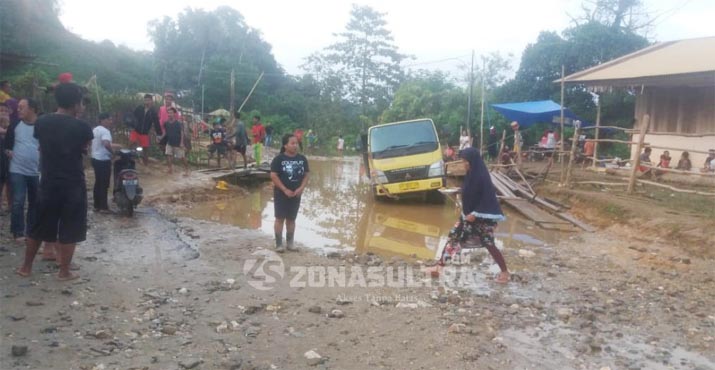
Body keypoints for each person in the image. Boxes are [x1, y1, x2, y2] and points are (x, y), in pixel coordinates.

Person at [16, 82, 94, 281]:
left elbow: (42, 146)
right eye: (81, 103)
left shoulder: (42, 122)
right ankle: (64, 271)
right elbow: (85, 151)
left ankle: (26, 267)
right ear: (76, 104)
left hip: (48, 181)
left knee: (38, 225)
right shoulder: (82, 127)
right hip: (73, 183)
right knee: (70, 227)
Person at [454, 147, 509, 283]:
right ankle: (439, 267)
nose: (463, 163)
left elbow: (487, 198)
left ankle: (505, 272)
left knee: (489, 244)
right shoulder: (469, 175)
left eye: (465, 161)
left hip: (482, 218)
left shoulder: (482, 176)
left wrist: (475, 213)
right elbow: (469, 193)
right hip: (468, 216)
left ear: (472, 161)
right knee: (453, 236)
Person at [5, 98, 40, 241]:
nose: (18, 110)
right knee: (18, 200)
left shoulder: (42, 124)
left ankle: (31, 231)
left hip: (36, 171)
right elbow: (7, 143)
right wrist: (8, 151)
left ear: (32, 109)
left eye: (22, 107)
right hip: (17, 169)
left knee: (35, 201)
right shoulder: (14, 124)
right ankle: (18, 231)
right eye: (18, 107)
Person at [270, 134, 309, 253]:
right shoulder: (279, 159)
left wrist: (301, 188)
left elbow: (306, 174)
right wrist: (284, 189)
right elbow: (273, 175)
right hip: (281, 194)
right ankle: (278, 244)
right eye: (292, 143)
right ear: (285, 145)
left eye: (296, 143)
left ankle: (290, 243)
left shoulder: (302, 159)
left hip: (296, 194)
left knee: (292, 219)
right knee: (279, 218)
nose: (295, 145)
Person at [91, 113, 120, 212]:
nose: (110, 121)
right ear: (102, 120)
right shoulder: (105, 131)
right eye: (109, 119)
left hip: (95, 158)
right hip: (103, 160)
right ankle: (103, 207)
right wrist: (113, 153)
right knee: (104, 183)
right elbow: (106, 144)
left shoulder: (95, 129)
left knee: (98, 182)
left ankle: (97, 205)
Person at [131, 94, 160, 165]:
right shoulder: (139, 108)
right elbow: (132, 117)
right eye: (145, 100)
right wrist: (131, 125)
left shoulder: (153, 112)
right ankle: (131, 160)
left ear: (151, 101)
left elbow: (156, 123)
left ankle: (145, 164)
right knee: (132, 144)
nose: (147, 102)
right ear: (144, 101)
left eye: (148, 100)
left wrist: (159, 134)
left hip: (145, 133)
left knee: (145, 149)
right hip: (136, 130)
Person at [164, 107, 189, 175]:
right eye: (168, 113)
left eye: (171, 113)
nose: (169, 114)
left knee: (182, 158)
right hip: (169, 143)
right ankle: (170, 169)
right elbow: (166, 132)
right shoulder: (166, 123)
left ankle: (187, 169)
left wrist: (181, 143)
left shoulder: (178, 123)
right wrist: (161, 139)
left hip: (178, 144)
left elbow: (182, 133)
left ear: (174, 114)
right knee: (168, 155)